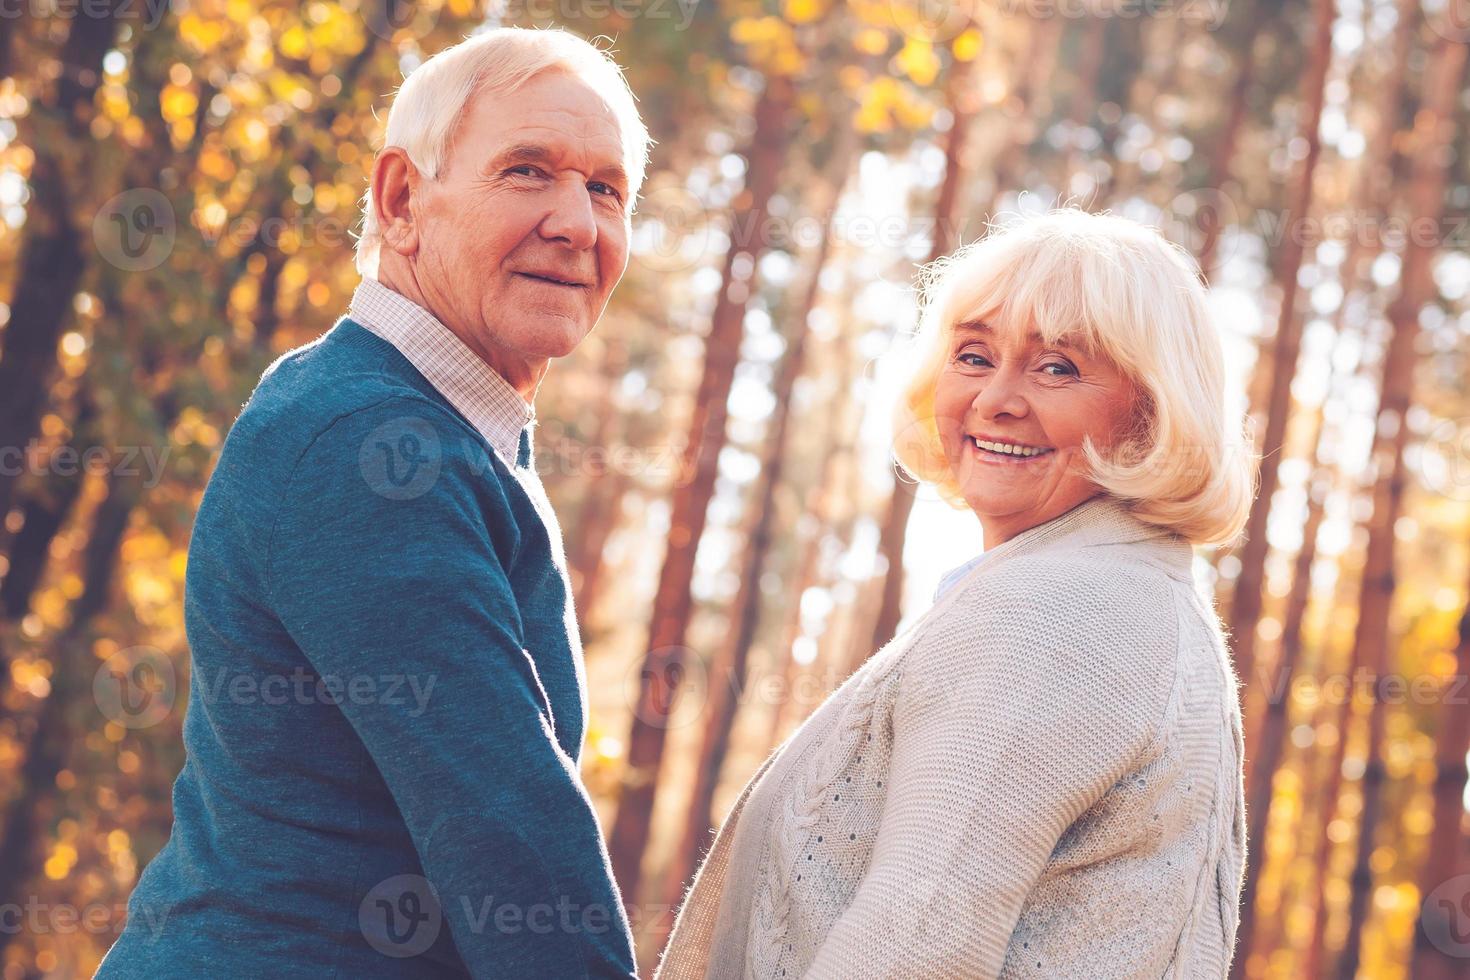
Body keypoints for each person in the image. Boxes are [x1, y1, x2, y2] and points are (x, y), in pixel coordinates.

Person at [99, 27, 650, 978]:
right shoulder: (368, 444)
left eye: (605, 189)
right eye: (529, 172)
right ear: (401, 201)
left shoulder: (434, 425)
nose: (577, 222)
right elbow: (510, 837)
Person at [656, 209, 1258, 979]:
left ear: (1150, 414)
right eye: (974, 355)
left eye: (1057, 368)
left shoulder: (1066, 611)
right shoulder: (1128, 591)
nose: (996, 399)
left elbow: (915, 944)